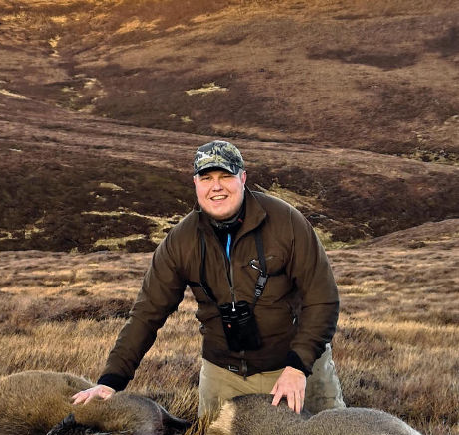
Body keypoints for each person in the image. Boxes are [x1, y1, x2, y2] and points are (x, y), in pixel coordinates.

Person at [73, 140, 345, 417]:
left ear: (243, 178)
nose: (216, 186)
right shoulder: (181, 240)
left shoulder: (287, 222)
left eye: (225, 176)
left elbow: (322, 299)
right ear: (195, 183)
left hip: (295, 369)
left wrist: (298, 366)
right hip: (224, 374)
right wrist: (111, 381)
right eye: (206, 178)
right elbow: (146, 314)